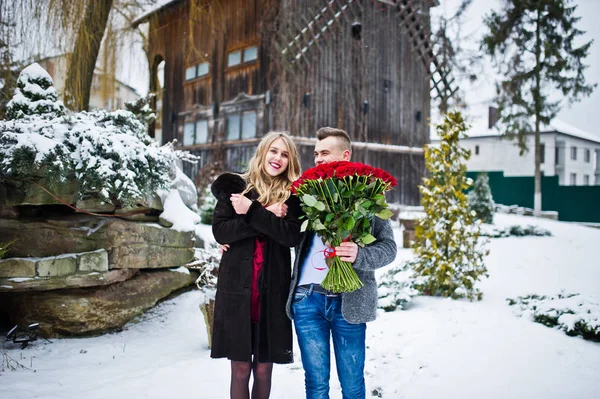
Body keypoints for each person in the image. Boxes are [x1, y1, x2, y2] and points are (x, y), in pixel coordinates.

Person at [286, 127, 397, 399]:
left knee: (352, 385)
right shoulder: (305, 194)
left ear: (345, 155)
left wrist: (359, 255)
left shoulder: (370, 196)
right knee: (316, 385)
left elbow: (389, 248)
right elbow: (281, 231)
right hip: (307, 298)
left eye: (325, 153)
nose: (318, 159)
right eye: (316, 154)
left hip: (351, 301)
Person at [211, 131, 303, 399]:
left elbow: (290, 236)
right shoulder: (236, 187)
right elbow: (222, 232)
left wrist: (252, 211)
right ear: (263, 152)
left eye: (285, 154)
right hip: (237, 289)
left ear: (290, 160)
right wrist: (267, 214)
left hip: (271, 291)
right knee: (240, 368)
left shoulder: (292, 196)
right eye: (273, 151)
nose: (278, 158)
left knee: (264, 369)